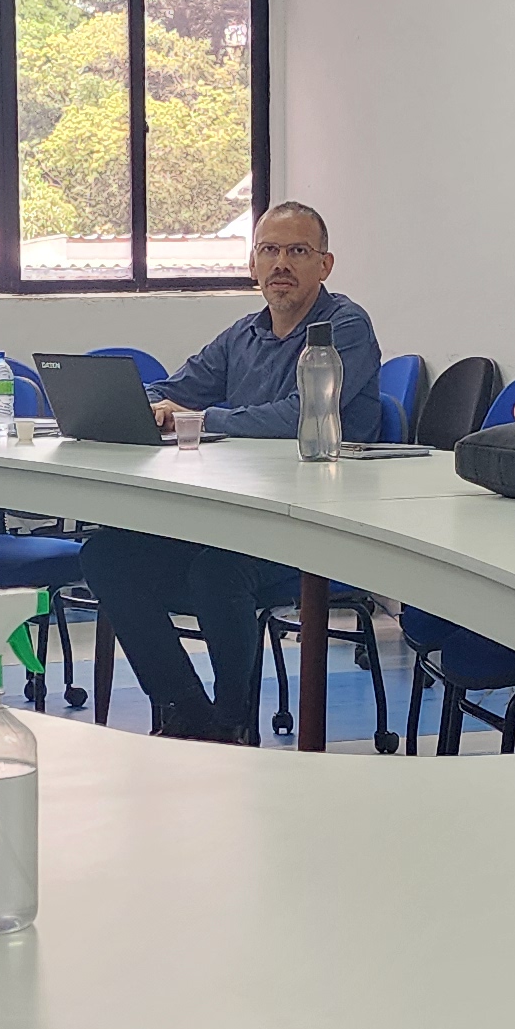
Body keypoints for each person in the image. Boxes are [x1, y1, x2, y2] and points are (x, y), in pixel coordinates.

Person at [83, 201, 381, 743]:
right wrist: (131, 402)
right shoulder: (243, 334)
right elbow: (176, 388)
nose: (281, 264)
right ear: (252, 264)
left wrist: (195, 418)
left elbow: (301, 416)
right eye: (269, 250)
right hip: (239, 513)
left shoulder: (344, 328)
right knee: (108, 554)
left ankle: (231, 722)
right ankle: (186, 710)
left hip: (317, 523)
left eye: (297, 251)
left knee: (218, 572)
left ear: (325, 264)